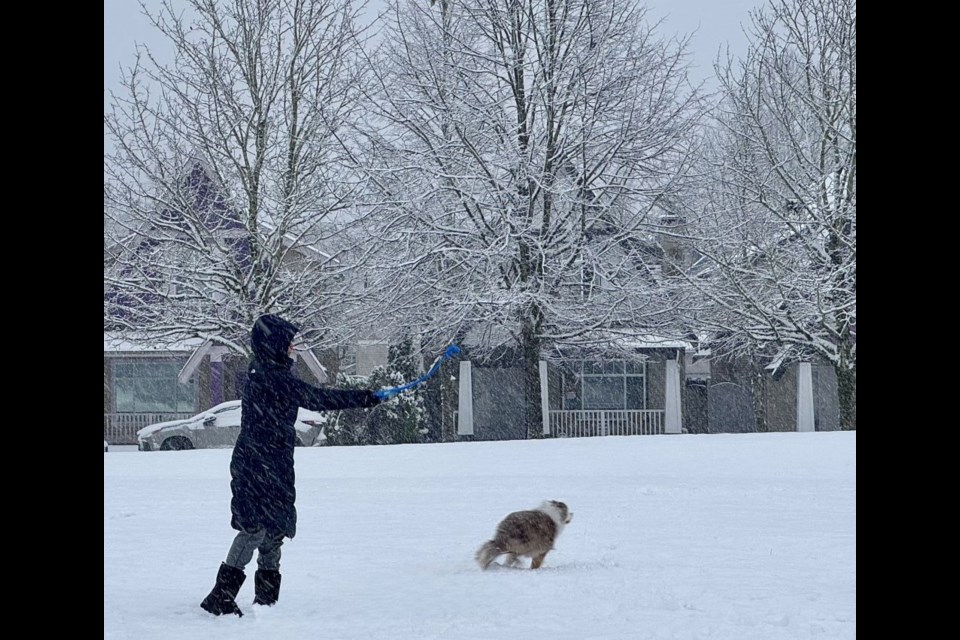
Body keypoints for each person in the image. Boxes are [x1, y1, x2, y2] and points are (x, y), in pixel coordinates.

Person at [201, 313, 383, 617]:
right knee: (254, 529)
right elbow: (315, 398)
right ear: (274, 345)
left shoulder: (270, 371)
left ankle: (267, 601)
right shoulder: (271, 377)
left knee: (275, 529)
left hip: (274, 463)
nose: (293, 350)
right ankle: (221, 596)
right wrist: (365, 397)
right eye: (289, 344)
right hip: (256, 465)